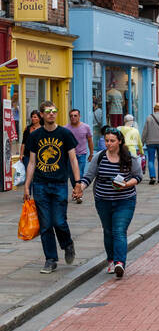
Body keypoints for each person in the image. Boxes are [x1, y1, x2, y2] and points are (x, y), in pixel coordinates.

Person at [74, 128, 140, 278]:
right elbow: (88, 177)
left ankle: (119, 263)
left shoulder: (129, 157)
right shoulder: (100, 157)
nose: (108, 143)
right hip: (103, 201)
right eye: (106, 140)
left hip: (125, 201)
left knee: (119, 230)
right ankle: (111, 260)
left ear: (120, 141)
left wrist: (126, 184)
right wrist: (80, 188)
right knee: (108, 231)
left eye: (112, 141)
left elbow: (138, 176)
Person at [23, 102, 80, 273]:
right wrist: (27, 186)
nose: (51, 114)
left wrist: (77, 182)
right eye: (47, 112)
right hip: (40, 185)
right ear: (41, 114)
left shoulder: (65, 134)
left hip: (59, 183)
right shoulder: (35, 136)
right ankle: (50, 259)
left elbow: (73, 160)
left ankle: (67, 244)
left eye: (54, 111)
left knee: (59, 221)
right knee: (46, 224)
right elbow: (32, 162)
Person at [65, 108, 94, 186]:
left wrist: (91, 154)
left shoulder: (86, 127)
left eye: (75, 115)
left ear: (79, 116)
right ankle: (76, 190)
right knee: (71, 175)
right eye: (71, 116)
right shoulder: (65, 128)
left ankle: (78, 192)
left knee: (79, 174)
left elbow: (90, 141)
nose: (73, 117)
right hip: (69, 156)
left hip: (81, 155)